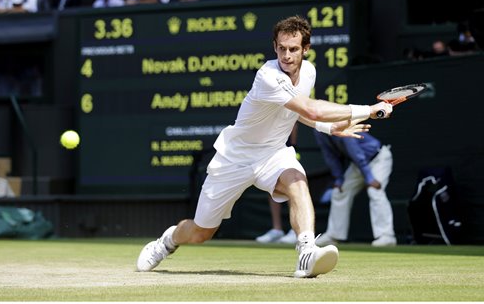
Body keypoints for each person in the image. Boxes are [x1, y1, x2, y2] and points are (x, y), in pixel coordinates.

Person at [136, 15, 393, 278]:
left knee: (298, 181)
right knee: (201, 232)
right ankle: (167, 241)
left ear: (306, 49)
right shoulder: (267, 76)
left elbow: (296, 110)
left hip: (272, 154)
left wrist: (328, 127)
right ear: (274, 47)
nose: (287, 55)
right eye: (282, 48)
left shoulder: (309, 72)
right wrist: (368, 110)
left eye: (293, 49)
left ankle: (306, 252)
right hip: (233, 160)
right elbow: (310, 109)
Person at [313, 131, 397, 247]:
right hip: (359, 164)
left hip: (379, 158)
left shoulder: (342, 122)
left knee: (375, 192)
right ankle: (334, 235)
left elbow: (355, 151)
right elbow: (329, 155)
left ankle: (387, 236)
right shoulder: (318, 130)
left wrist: (369, 177)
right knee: (339, 192)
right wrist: (339, 178)